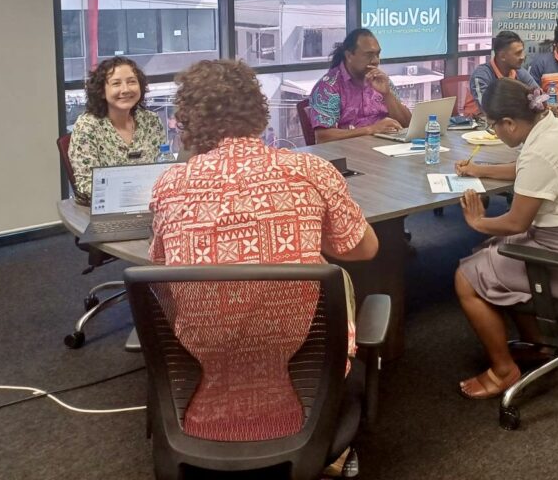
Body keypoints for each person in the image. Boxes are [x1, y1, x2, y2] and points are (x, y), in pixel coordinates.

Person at [149, 59, 379, 451]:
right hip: (300, 350)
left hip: (202, 353)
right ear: (258, 112)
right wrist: (310, 233)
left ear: (190, 120)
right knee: (337, 275)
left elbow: (159, 267)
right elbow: (364, 248)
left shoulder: (170, 183)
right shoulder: (311, 170)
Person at [454, 78, 558, 399]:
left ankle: (503, 371)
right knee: (492, 251)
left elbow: (516, 222)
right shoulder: (553, 127)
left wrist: (478, 222)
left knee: (466, 278)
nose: (494, 131)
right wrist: (478, 170)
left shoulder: (541, 150)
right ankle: (537, 345)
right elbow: (525, 168)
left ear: (509, 123)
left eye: (493, 125)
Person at [68, 56, 163, 201]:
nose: (125, 89)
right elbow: (86, 185)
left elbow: (162, 170)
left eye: (131, 82)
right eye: (116, 83)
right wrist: (132, 195)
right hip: (105, 206)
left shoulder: (151, 121)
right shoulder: (87, 126)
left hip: (148, 203)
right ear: (101, 91)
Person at [306, 28, 412, 143]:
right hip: (350, 150)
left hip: (389, 146)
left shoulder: (381, 80)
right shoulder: (329, 86)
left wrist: (387, 95)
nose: (376, 61)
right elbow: (322, 137)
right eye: (369, 55)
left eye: (377, 54)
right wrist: (371, 129)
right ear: (349, 56)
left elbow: (408, 124)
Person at [464, 30, 539, 116]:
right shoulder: (481, 75)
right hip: (479, 122)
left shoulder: (519, 72)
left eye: (522, 51)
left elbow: (539, 96)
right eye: (518, 53)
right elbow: (489, 110)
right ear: (502, 56)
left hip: (510, 120)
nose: (523, 57)